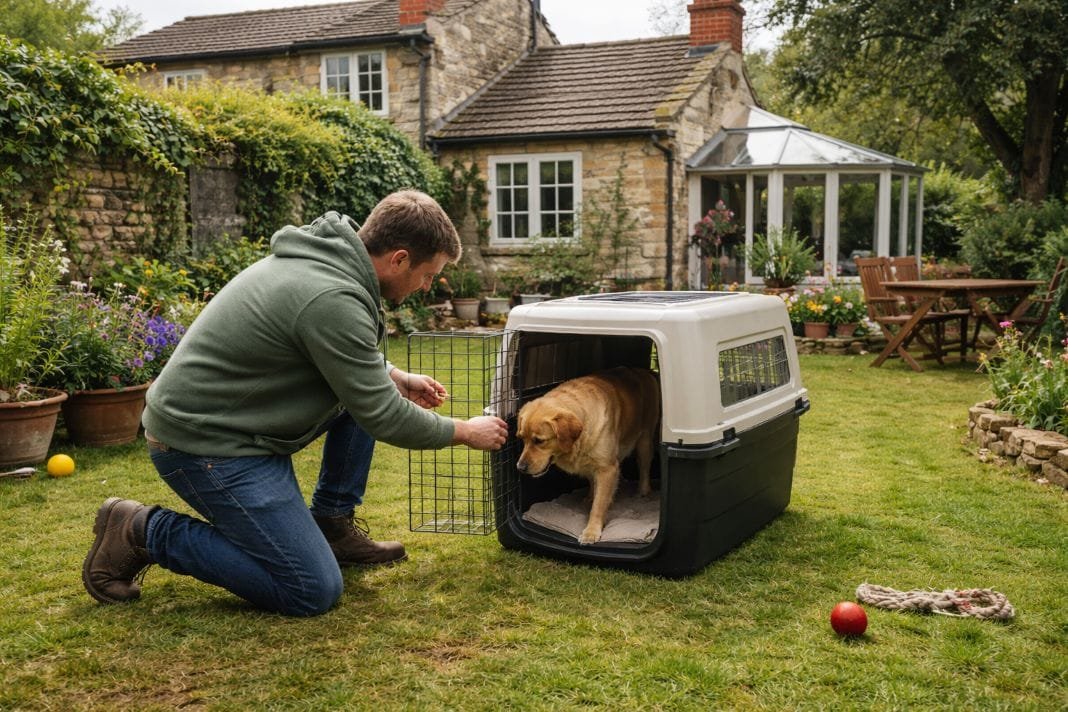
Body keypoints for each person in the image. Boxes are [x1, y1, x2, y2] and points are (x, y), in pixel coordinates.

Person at [82, 190, 508, 617]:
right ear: (398, 259)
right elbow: (383, 417)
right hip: (206, 445)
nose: (426, 287)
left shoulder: (327, 266)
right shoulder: (330, 296)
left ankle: (331, 524)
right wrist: (466, 431)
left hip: (237, 427)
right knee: (309, 588)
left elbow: (339, 355)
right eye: (428, 275)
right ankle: (142, 530)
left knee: (364, 395)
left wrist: (393, 376)